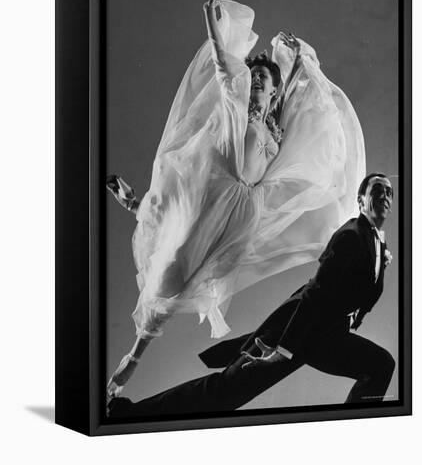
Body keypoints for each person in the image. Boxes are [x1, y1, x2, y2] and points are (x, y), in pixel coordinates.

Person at [106, 0, 365, 397]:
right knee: (171, 268)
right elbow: (225, 68)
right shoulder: (234, 110)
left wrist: (297, 59)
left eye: (264, 81)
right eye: (255, 78)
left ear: (273, 94)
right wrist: (213, 25)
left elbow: (298, 99)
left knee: (185, 267)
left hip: (245, 213)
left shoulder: (277, 131)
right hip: (218, 193)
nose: (256, 82)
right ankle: (135, 354)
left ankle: (274, 333)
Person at [108, 174, 395, 417]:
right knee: (225, 392)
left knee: (380, 365)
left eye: (388, 193)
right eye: (377, 191)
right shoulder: (350, 236)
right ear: (361, 200)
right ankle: (127, 414)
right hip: (293, 332)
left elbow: (360, 293)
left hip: (327, 337)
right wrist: (280, 351)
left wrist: (374, 272)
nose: (384, 196)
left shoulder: (375, 245)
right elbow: (314, 297)